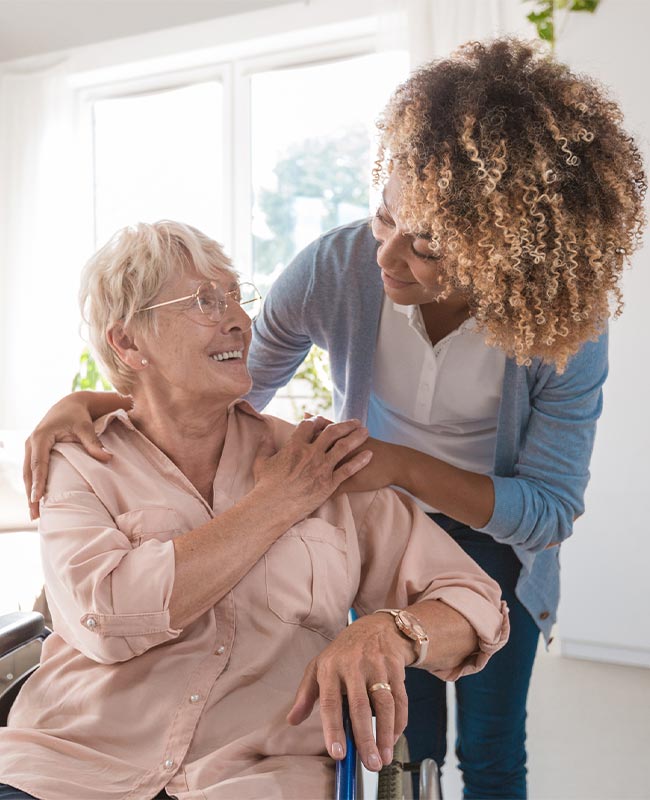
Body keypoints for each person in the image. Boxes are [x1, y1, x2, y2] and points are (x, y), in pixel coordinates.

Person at [22, 38, 646, 799]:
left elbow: (547, 510)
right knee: (398, 736)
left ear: (503, 258)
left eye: (427, 248)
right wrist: (105, 399)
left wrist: (396, 467)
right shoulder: (338, 266)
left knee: (488, 749)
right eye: (384, 215)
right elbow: (228, 391)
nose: (386, 257)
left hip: (486, 533)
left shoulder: (561, 329)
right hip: (356, 502)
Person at [0, 221, 509, 800]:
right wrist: (276, 503)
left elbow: (477, 605)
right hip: (69, 767)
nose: (240, 320)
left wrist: (392, 631)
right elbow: (111, 617)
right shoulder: (82, 459)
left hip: (257, 778)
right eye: (204, 301)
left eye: (237, 297)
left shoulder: (319, 461)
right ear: (128, 343)